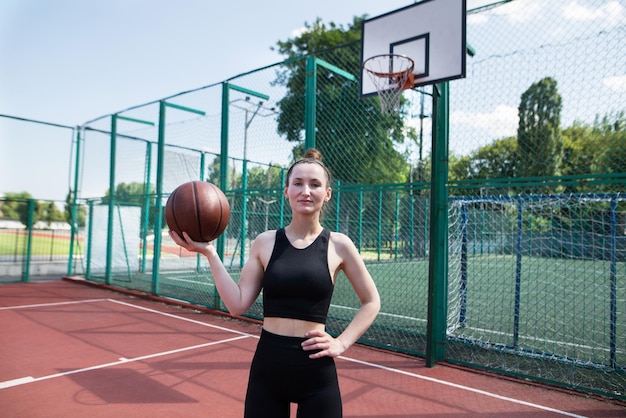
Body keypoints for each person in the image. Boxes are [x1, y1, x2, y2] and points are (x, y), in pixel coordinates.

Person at [169, 148, 380, 418]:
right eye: (298, 183)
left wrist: (341, 343)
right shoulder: (265, 242)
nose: (306, 191)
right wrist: (210, 253)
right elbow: (237, 304)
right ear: (286, 191)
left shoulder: (339, 245)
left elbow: (372, 302)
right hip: (268, 369)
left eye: (315, 185)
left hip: (316, 371)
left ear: (327, 194)